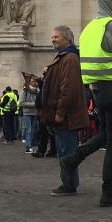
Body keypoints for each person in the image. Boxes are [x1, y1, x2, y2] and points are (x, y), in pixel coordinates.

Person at [60, 0, 112, 207]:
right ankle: (108, 192)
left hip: (97, 90)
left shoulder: (88, 29)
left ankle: (73, 158)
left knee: (104, 134)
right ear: (111, 5)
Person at [43, 25, 87, 195]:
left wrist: (60, 112)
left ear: (67, 39)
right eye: (53, 37)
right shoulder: (65, 58)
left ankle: (69, 185)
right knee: (65, 150)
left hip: (66, 116)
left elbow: (67, 89)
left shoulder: (69, 59)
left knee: (67, 151)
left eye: (56, 37)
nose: (53, 39)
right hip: (63, 115)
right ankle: (70, 182)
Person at [21, 76, 41, 154]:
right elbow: (21, 103)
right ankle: (28, 147)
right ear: (29, 82)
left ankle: (31, 145)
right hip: (27, 113)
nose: (34, 82)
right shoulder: (25, 91)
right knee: (28, 130)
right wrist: (34, 104)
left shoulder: (37, 91)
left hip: (35, 113)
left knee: (33, 130)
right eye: (32, 81)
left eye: (35, 81)